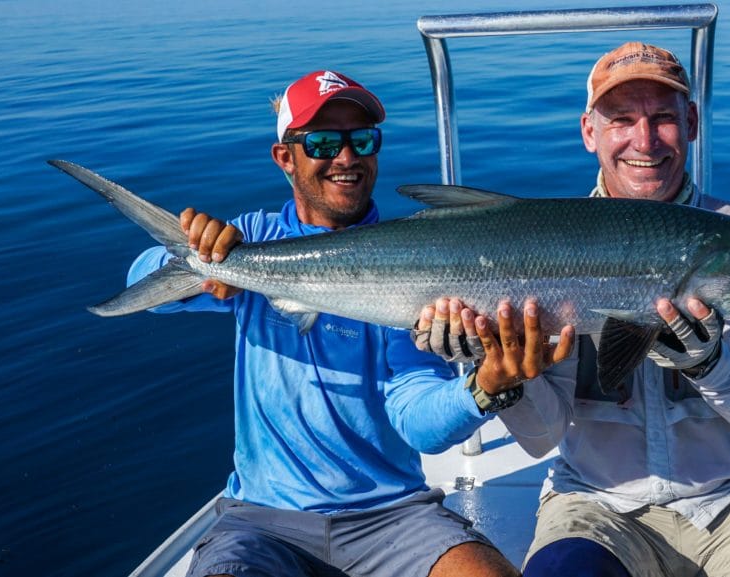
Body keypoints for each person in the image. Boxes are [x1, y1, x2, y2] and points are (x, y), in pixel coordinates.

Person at [416, 43, 730, 576]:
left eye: (663, 118)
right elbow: (543, 437)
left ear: (692, 123)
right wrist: (496, 371)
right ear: (589, 131)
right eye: (622, 120)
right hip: (595, 506)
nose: (644, 140)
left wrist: (710, 363)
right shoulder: (552, 246)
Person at [128, 69, 571, 577]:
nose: (346, 157)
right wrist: (197, 258)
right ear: (284, 158)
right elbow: (149, 290)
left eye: (362, 139)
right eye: (322, 142)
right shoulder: (249, 241)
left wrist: (488, 386)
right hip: (262, 522)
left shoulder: (416, 265)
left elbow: (416, 420)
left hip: (395, 519)